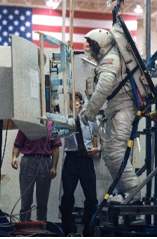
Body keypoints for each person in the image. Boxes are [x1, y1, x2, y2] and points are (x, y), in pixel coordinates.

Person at [80, 25, 140, 204]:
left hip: (123, 108)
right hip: (117, 107)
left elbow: (104, 88)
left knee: (114, 152)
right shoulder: (111, 57)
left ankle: (133, 195)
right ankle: (127, 194)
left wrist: (90, 112)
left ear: (101, 45)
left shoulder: (111, 59)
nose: (91, 49)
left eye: (93, 46)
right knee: (110, 153)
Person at [59, 92, 101, 236]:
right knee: (67, 196)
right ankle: (68, 231)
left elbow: (102, 133)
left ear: (81, 101)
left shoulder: (89, 118)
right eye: (72, 99)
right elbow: (58, 134)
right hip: (71, 158)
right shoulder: (65, 118)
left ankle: (88, 232)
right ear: (68, 102)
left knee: (91, 197)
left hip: (85, 159)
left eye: (77, 99)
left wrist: (98, 149)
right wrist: (74, 116)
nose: (75, 102)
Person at [10, 122, 61, 222]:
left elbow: (55, 148)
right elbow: (17, 145)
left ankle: (41, 228)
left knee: (42, 201)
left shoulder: (52, 126)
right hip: (28, 161)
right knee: (26, 199)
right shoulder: (27, 124)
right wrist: (14, 157)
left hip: (45, 162)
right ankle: (24, 226)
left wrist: (54, 167)